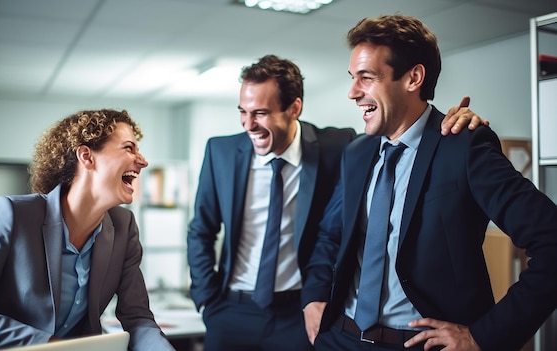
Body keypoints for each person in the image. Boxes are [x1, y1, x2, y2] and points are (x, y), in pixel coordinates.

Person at [186, 54, 485, 351]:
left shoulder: (339, 147)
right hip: (231, 311)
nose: (248, 124)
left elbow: (394, 127)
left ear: (294, 108)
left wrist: (455, 124)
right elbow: (201, 229)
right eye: (243, 111)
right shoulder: (220, 152)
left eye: (260, 113)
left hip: (300, 312)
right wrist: (206, 301)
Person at [302, 14, 557, 351]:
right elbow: (331, 236)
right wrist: (314, 297)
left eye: (366, 77)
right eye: (352, 77)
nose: (352, 92)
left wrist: (483, 336)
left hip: (420, 344)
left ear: (413, 78)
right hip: (341, 337)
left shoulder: (464, 146)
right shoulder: (356, 154)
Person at [0, 109, 175, 351]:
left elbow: (138, 318)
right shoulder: (12, 214)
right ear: (86, 157)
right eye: (129, 148)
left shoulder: (125, 227)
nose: (143, 161)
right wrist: (48, 345)